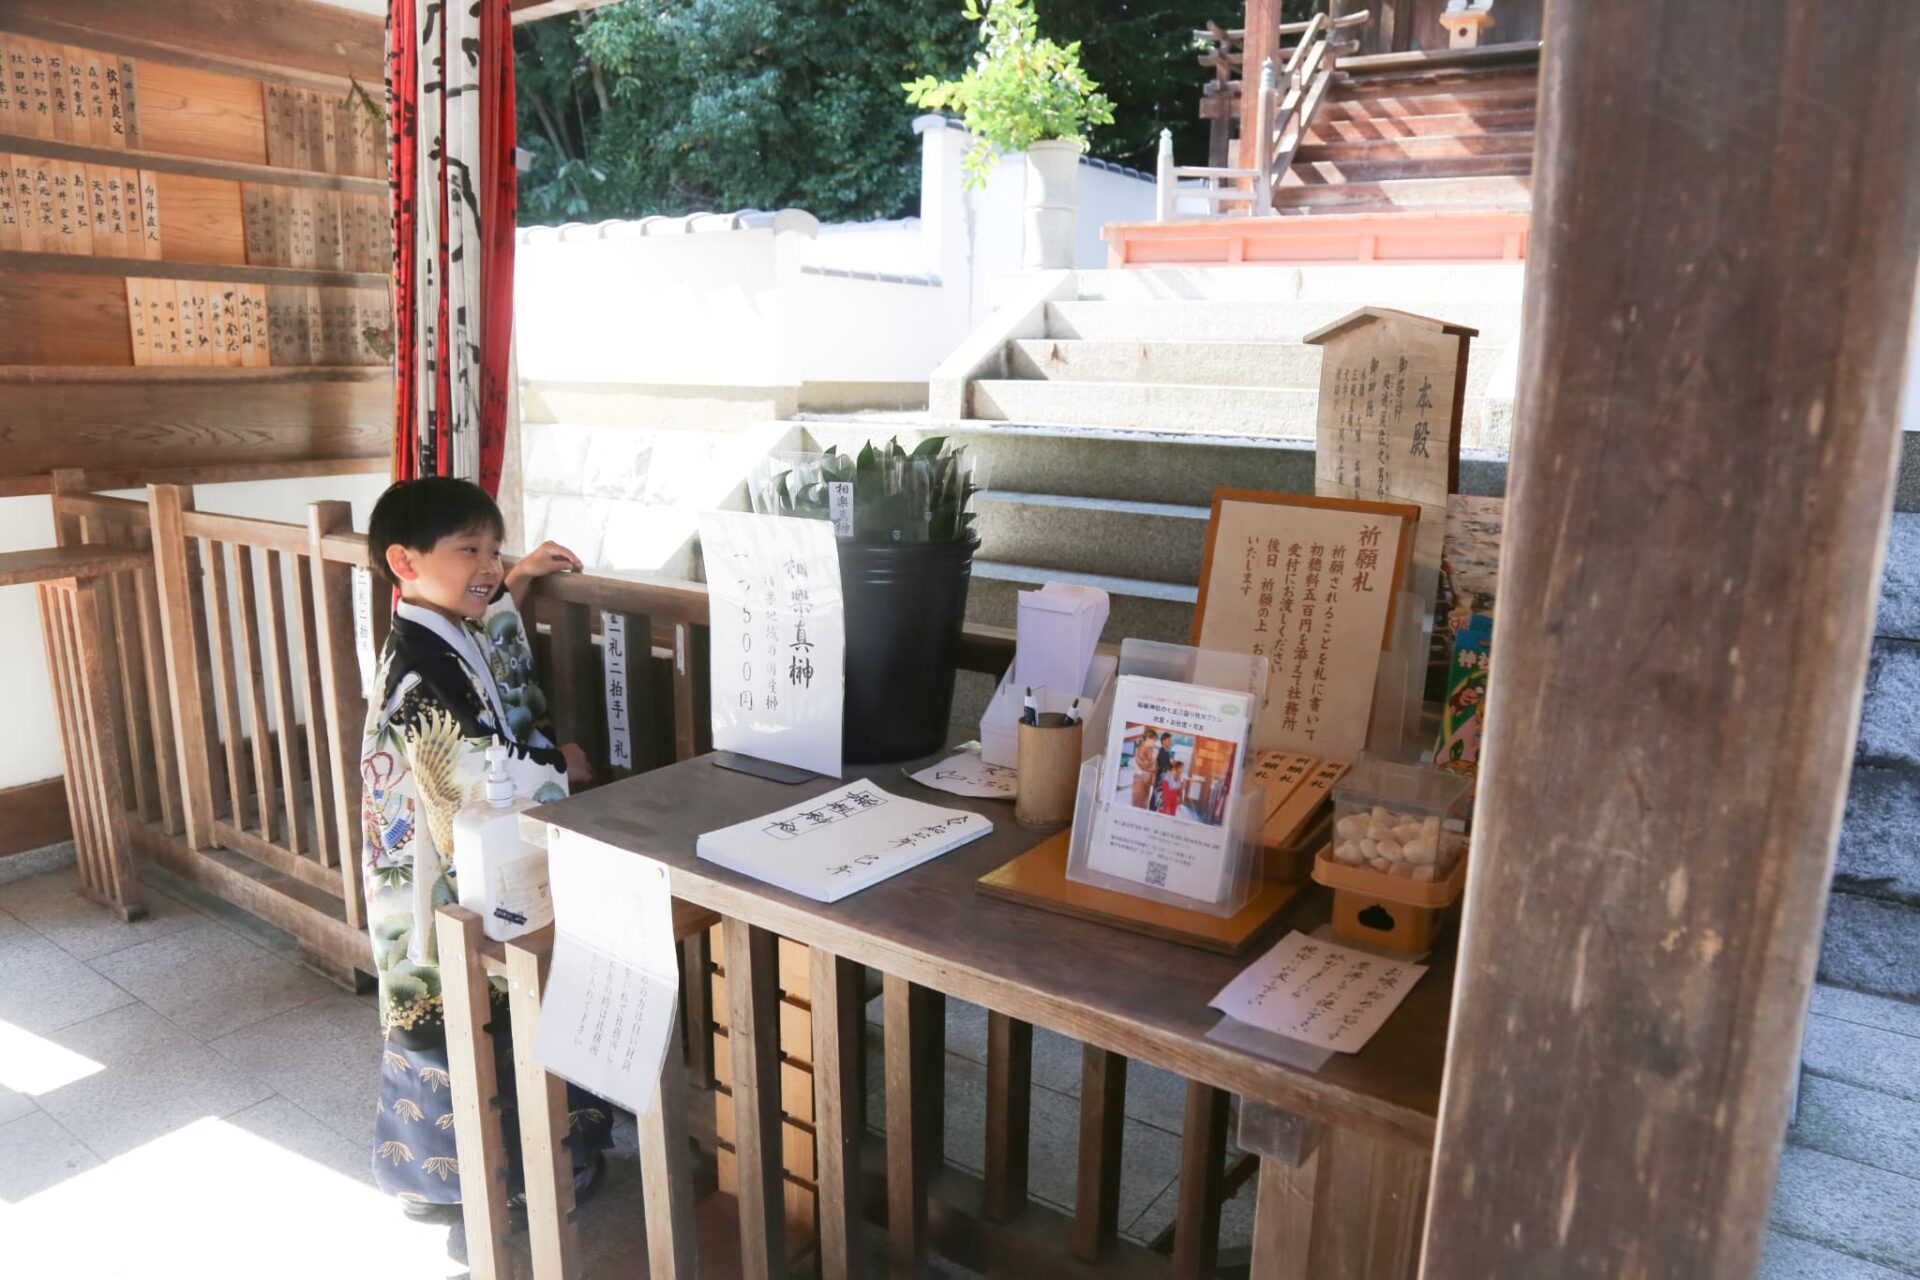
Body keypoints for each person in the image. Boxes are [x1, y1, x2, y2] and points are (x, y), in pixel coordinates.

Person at [358, 476, 608, 1220]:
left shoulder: (438, 626)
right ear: (405, 562)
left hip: (450, 861)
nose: (488, 567)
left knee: (485, 1006)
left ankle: (458, 1177)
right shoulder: (415, 667)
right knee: (472, 1002)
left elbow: (491, 635)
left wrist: (519, 578)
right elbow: (466, 769)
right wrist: (562, 767)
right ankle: (490, 1180)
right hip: (439, 875)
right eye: (470, 549)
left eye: (494, 550)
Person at [1129, 728, 1160, 809]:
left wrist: (1154, 760)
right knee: (1138, 803)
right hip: (1140, 780)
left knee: (1143, 802)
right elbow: (1143, 765)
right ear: (1148, 739)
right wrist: (1153, 758)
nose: (1154, 743)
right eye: (1154, 740)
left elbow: (1152, 765)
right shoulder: (1141, 749)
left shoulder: (1148, 749)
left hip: (1145, 780)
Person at [1149, 731, 1175, 812]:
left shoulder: (1165, 751)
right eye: (1168, 741)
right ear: (1163, 741)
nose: (1170, 742)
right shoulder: (1162, 751)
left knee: (1158, 795)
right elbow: (1163, 766)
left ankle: (1153, 809)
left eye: (1170, 741)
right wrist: (1171, 764)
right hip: (1160, 776)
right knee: (1156, 794)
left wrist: (1171, 764)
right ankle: (1152, 811)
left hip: (1162, 777)